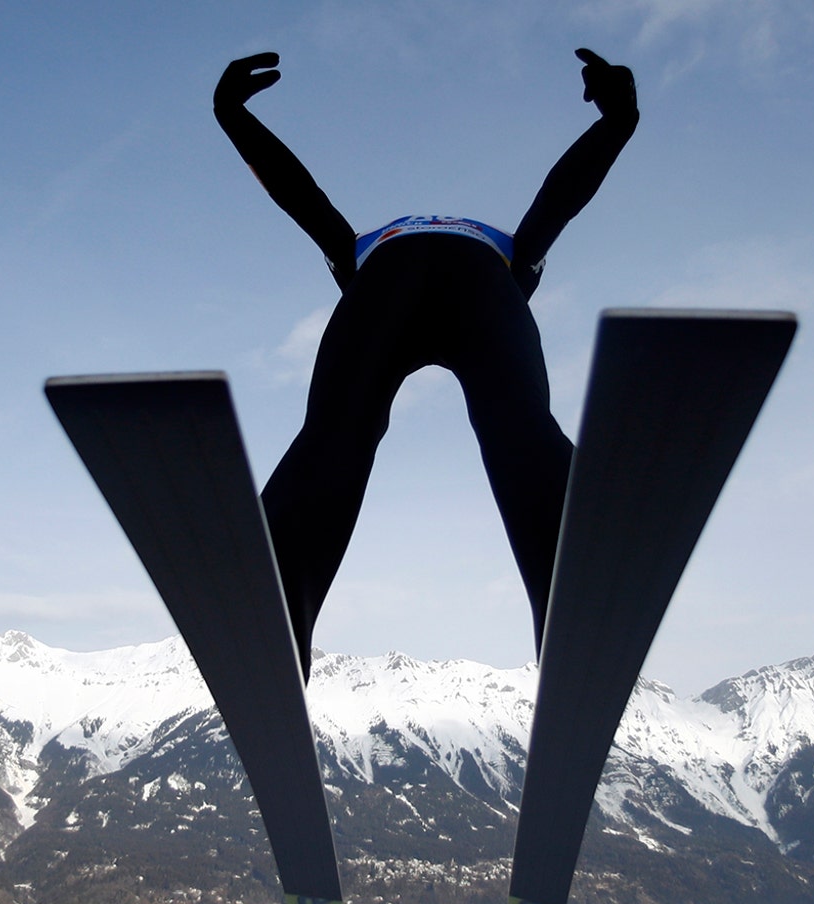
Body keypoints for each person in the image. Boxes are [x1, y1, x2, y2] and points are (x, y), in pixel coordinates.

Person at [214, 48, 638, 679]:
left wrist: (233, 118)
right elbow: (557, 202)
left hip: (382, 278)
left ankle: (273, 593)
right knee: (520, 429)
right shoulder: (511, 255)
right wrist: (615, 123)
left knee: (335, 433)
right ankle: (576, 586)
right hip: (485, 281)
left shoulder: (361, 248)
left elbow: (305, 202)